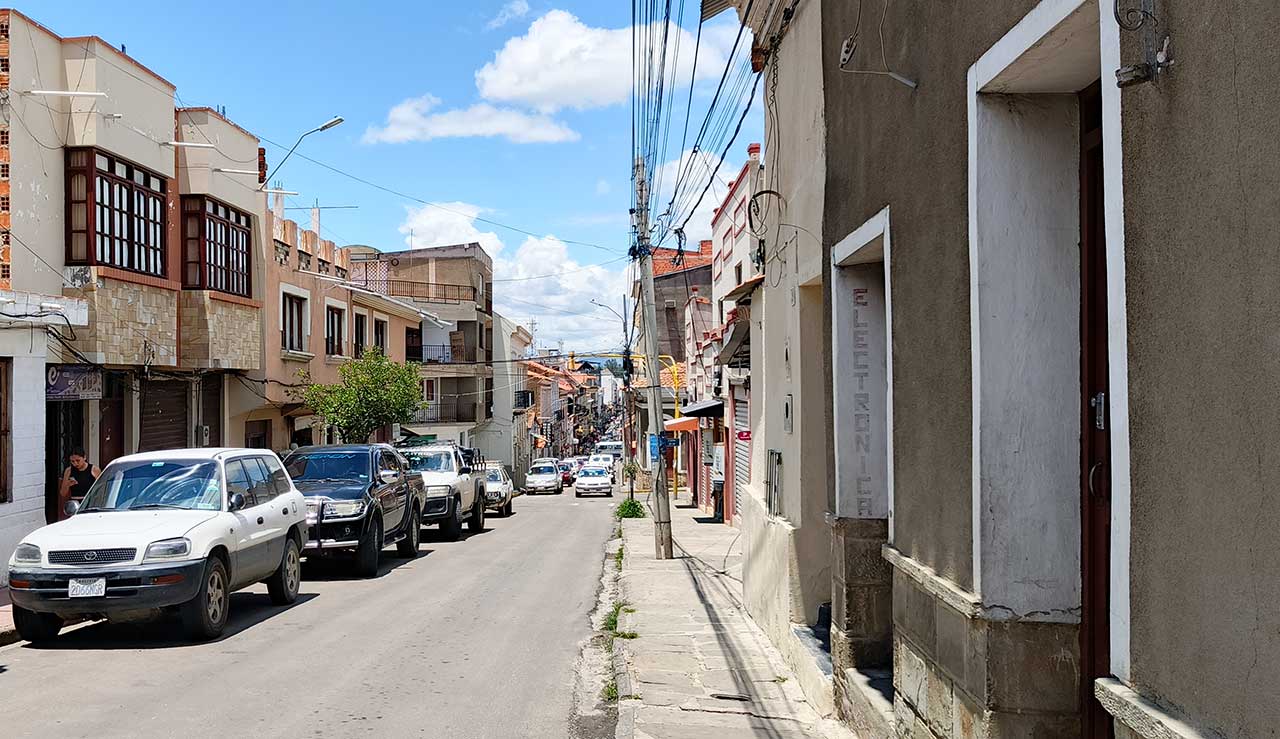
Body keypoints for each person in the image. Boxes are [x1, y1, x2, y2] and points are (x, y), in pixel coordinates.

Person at [59, 451, 100, 518]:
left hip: (89, 502)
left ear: (84, 457)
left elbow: (101, 489)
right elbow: (63, 493)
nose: (75, 463)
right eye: (72, 461)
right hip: (74, 503)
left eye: (78, 460)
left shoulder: (94, 470)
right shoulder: (69, 471)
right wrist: (68, 484)